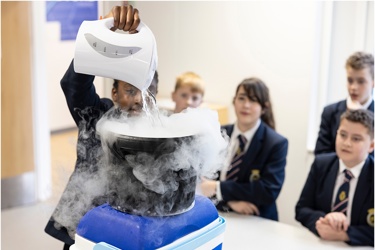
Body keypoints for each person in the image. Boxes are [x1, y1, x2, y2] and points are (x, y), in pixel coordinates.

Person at [44, 5, 158, 250]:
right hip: (85, 223)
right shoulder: (97, 116)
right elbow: (73, 85)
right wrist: (102, 34)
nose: (138, 99)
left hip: (130, 230)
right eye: (129, 90)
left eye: (146, 92)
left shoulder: (159, 130)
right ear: (114, 93)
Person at [199, 77, 288, 221]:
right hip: (220, 214)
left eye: (253, 100)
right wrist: (230, 201)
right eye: (241, 98)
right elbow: (203, 182)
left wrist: (218, 188)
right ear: (234, 101)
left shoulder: (275, 143)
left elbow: (267, 190)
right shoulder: (219, 133)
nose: (246, 105)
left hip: (256, 219)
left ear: (264, 107)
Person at [296, 109, 374, 246]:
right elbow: (302, 209)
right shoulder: (321, 164)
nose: (347, 143)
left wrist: (346, 234)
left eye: (356, 139)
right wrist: (324, 220)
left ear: (371, 145)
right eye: (343, 135)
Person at [314, 51, 374, 155]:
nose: (353, 87)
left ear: (373, 82)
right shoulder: (330, 112)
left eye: (361, 81)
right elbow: (320, 154)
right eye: (350, 80)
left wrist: (359, 115)